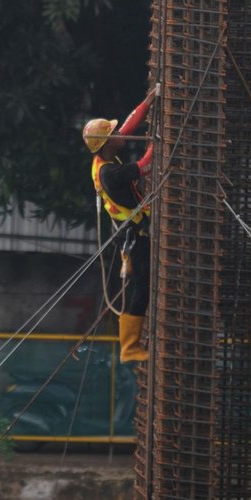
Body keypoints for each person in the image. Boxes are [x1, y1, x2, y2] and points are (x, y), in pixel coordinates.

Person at [82, 89, 155, 363]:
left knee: (143, 282)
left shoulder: (102, 158)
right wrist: (159, 145)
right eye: (113, 134)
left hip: (131, 229)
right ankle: (130, 348)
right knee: (142, 284)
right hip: (132, 234)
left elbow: (128, 126)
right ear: (106, 143)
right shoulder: (110, 173)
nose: (118, 134)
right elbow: (144, 167)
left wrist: (146, 102)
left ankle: (130, 346)